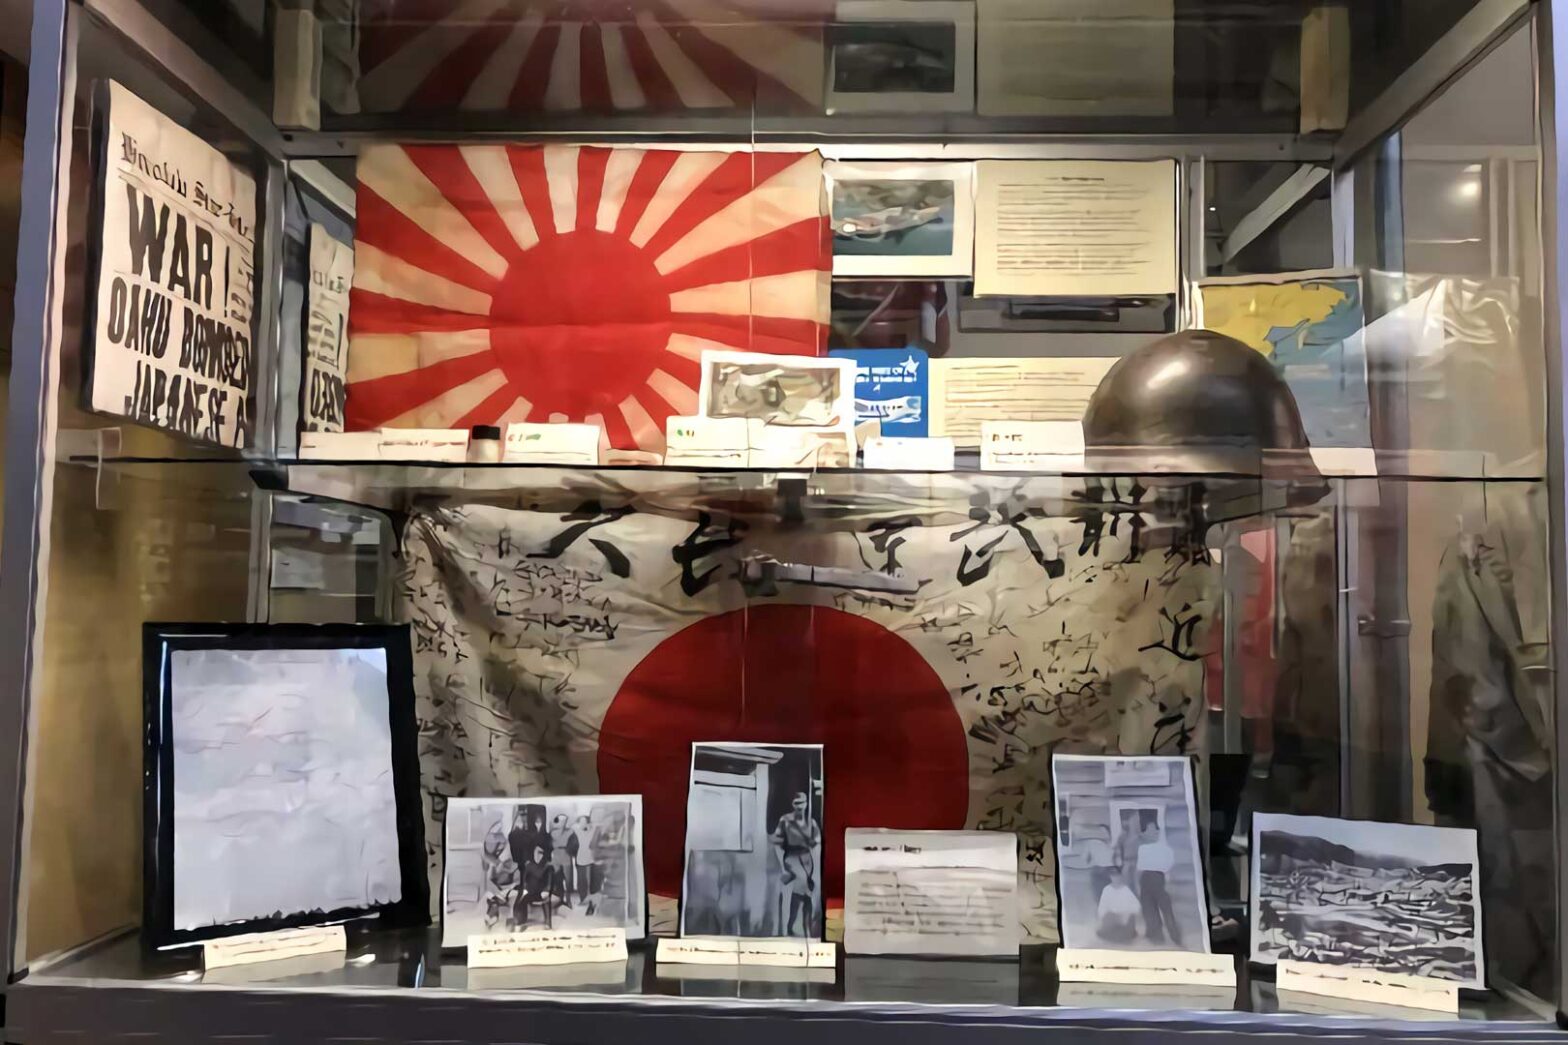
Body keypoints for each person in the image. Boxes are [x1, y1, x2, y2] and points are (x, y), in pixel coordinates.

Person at [771, 790, 822, 937]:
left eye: (802, 803)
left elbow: (816, 842)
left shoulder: (811, 822)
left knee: (807, 892)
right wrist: (782, 866)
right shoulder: (785, 820)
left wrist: (813, 847)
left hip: (807, 859)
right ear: (793, 804)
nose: (800, 806)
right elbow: (777, 844)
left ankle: (802, 927)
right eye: (797, 803)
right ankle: (789, 926)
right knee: (802, 886)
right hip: (791, 858)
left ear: (806, 804)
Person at [1136, 817, 1183, 946]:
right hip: (1145, 879)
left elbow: (1169, 866)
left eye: (1155, 831)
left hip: (1159, 878)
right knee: (1149, 909)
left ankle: (1176, 937)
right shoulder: (1142, 849)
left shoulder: (1165, 849)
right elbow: (1140, 867)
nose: (1153, 833)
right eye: (1149, 831)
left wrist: (1166, 880)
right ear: (1144, 833)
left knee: (1166, 909)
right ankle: (1155, 935)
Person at [1096, 866, 1142, 943]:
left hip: (1124, 918)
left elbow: (1136, 906)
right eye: (1113, 876)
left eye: (1117, 876)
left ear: (1120, 876)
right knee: (1109, 917)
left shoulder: (1126, 890)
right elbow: (1102, 907)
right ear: (1110, 877)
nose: (1115, 878)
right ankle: (1113, 934)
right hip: (1112, 919)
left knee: (1129, 921)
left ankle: (1124, 934)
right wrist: (1112, 914)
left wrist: (1125, 913)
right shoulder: (1107, 889)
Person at [515, 844, 554, 928]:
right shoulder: (529, 866)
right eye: (536, 853)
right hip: (531, 892)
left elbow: (549, 882)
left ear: (543, 855)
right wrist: (525, 889)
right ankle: (521, 920)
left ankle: (548, 922)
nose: (538, 856)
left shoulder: (548, 866)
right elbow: (525, 880)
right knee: (521, 899)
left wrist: (546, 890)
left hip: (541, 893)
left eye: (540, 853)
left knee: (546, 899)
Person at [572, 814, 599, 909]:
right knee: (581, 882)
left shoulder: (592, 831)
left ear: (588, 822)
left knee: (590, 882)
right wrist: (581, 825)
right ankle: (583, 900)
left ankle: (591, 902)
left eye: (584, 821)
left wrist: (589, 826)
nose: (582, 823)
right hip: (580, 860)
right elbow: (573, 826)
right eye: (581, 821)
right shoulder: (577, 830)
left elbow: (596, 825)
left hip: (590, 860)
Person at [549, 814, 575, 908]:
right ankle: (559, 899)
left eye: (565, 821)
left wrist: (569, 850)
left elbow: (574, 844)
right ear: (558, 822)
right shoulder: (552, 832)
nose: (563, 823)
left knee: (568, 880)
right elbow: (549, 845)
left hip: (566, 856)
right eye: (561, 821)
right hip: (556, 856)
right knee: (557, 879)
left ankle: (568, 900)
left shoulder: (571, 831)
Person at [1114, 809, 1142, 896]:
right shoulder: (1123, 836)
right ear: (1130, 822)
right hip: (1126, 863)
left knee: (1138, 884)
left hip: (1138, 864)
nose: (1135, 823)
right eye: (1133, 820)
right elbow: (1117, 851)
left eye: (1138, 821)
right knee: (1125, 885)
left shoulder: (1142, 838)